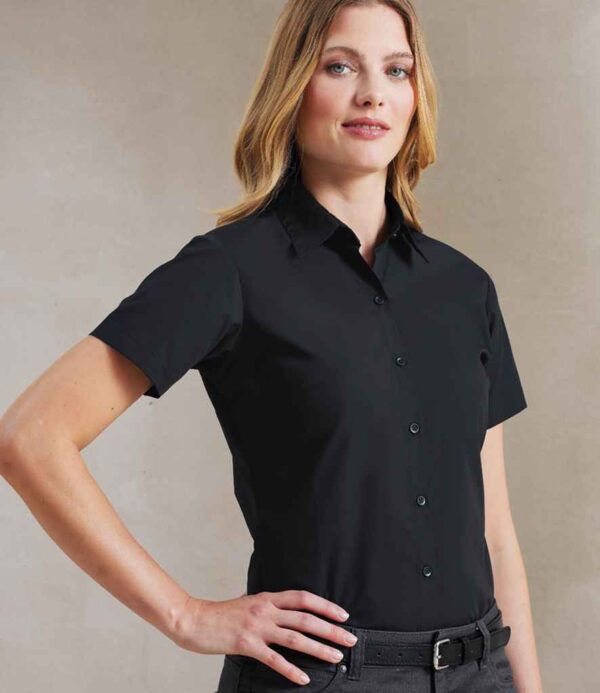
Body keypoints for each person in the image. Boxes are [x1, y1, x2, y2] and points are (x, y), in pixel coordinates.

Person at [0, 0, 544, 691]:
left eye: (397, 70)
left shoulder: (466, 288)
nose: (372, 93)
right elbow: (30, 437)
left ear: (417, 96)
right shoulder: (229, 270)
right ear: (294, 85)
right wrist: (186, 615)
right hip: (322, 678)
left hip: (481, 672)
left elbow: (495, 532)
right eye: (339, 66)